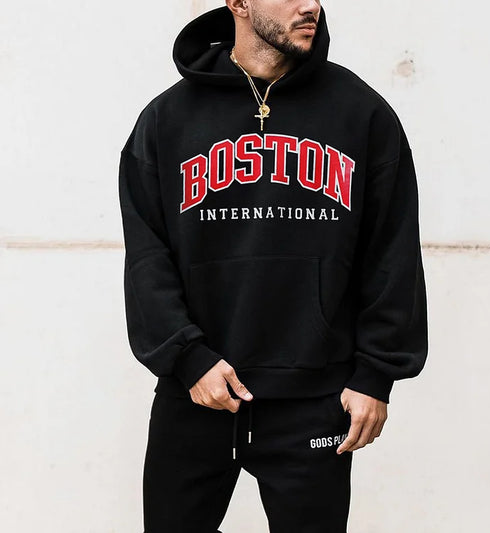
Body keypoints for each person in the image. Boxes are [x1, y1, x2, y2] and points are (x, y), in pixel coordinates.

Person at [118, 1, 428, 532]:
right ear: (239, 3)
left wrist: (377, 373)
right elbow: (148, 255)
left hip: (315, 397)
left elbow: (391, 250)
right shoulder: (168, 120)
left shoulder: (360, 113)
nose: (311, 5)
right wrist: (186, 356)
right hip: (197, 391)